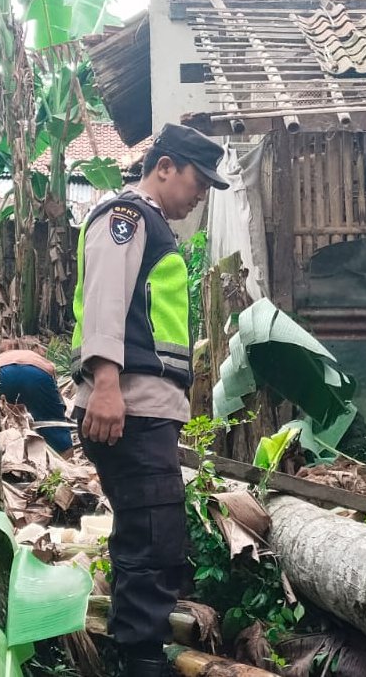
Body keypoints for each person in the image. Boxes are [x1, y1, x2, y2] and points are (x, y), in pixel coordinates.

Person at [70, 123, 228, 677]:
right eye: (197, 181)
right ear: (164, 167)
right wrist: (106, 385)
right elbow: (105, 300)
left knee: (151, 530)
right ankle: (140, 659)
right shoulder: (127, 217)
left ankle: (138, 650)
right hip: (128, 405)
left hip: (143, 408)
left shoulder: (151, 225)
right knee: (152, 533)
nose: (201, 194)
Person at [0, 338, 73, 457]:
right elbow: (58, 400)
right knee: (53, 423)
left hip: (2, 372)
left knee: (2, 419)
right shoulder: (35, 357)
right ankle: (65, 458)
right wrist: (58, 414)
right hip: (38, 373)